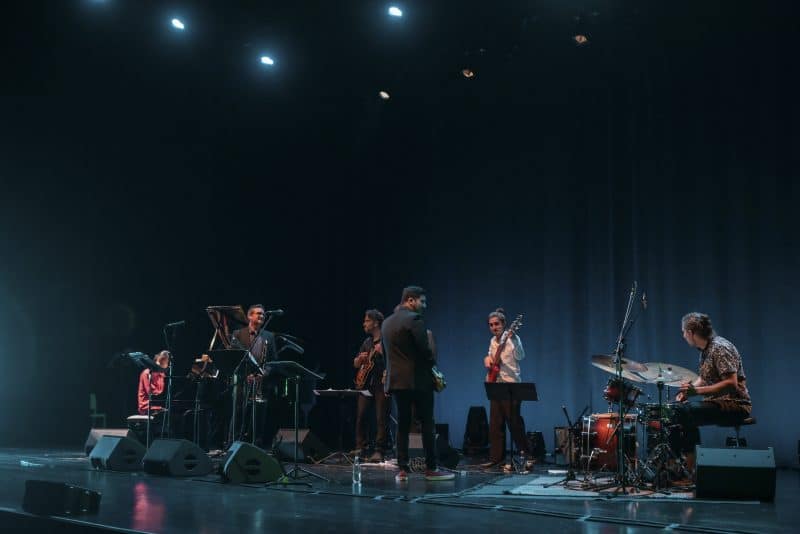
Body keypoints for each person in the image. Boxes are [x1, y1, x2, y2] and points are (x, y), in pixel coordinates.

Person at [382, 286, 454, 481]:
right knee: (427, 423)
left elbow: (387, 356)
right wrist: (433, 367)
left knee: (402, 425)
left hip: (397, 382)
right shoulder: (414, 319)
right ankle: (431, 468)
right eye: (422, 301)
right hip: (418, 381)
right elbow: (425, 351)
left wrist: (388, 380)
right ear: (410, 300)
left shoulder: (386, 323)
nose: (425, 305)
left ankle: (402, 470)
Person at [672, 312, 752, 473]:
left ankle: (690, 468)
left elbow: (731, 384)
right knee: (673, 411)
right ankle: (674, 465)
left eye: (683, 332)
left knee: (685, 412)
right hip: (717, 402)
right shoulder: (706, 349)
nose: (683, 336)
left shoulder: (720, 348)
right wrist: (687, 391)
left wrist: (696, 391)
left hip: (735, 405)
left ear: (690, 332)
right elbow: (703, 378)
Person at [481, 308, 534, 470]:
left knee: (514, 423)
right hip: (495, 384)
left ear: (504, 324)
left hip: (511, 385)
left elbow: (520, 356)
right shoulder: (492, 341)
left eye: (496, 324)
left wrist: (515, 339)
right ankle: (496, 458)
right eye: (491, 325)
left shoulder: (512, 339)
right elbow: (490, 356)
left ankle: (527, 455)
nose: (494, 327)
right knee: (495, 423)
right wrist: (487, 359)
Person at [230, 304, 283, 448]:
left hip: (261, 381)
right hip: (242, 381)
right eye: (258, 313)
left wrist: (264, 373)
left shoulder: (269, 336)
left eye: (263, 314)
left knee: (259, 415)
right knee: (239, 413)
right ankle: (234, 444)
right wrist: (245, 374)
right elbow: (234, 358)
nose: (262, 316)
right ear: (249, 316)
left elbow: (274, 360)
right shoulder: (238, 334)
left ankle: (256, 446)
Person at [352, 309, 392, 462]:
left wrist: (382, 354)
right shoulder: (367, 342)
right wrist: (359, 360)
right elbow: (356, 364)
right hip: (366, 385)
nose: (364, 323)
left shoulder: (386, 340)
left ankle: (380, 450)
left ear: (376, 323)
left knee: (381, 418)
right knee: (361, 416)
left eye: (367, 321)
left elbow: (394, 360)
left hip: (381, 384)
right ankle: (360, 447)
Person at [137, 350, 171, 415]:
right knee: (169, 413)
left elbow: (161, 391)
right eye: (159, 366)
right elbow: (151, 392)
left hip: (159, 404)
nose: (160, 369)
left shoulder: (162, 374)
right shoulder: (146, 373)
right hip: (147, 407)